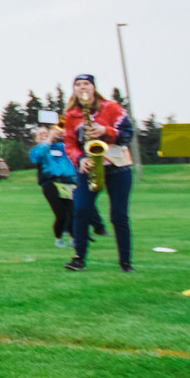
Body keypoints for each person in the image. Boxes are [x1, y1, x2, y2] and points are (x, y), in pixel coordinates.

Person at [61, 76, 134, 273]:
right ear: (74, 90)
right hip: (89, 167)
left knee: (119, 215)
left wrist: (105, 130)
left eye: (86, 84)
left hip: (118, 166)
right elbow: (69, 144)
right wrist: (79, 159)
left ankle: (125, 262)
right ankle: (78, 258)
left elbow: (128, 134)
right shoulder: (71, 115)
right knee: (82, 210)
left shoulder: (112, 108)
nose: (82, 87)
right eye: (77, 84)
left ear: (94, 88)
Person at [28, 120, 76, 248]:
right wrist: (48, 139)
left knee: (72, 212)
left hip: (66, 182)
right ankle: (59, 238)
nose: (43, 135)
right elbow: (37, 157)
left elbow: (72, 147)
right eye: (40, 135)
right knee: (60, 214)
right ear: (36, 138)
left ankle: (73, 238)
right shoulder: (36, 150)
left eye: (45, 133)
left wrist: (62, 134)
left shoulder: (61, 146)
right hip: (50, 183)